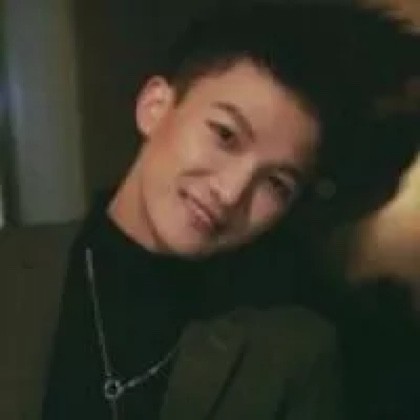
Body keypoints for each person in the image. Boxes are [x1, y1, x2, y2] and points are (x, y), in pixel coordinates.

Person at [1, 2, 418, 420]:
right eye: (225, 135)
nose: (231, 193)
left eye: (276, 183)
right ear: (155, 106)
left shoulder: (291, 352)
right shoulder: (15, 268)